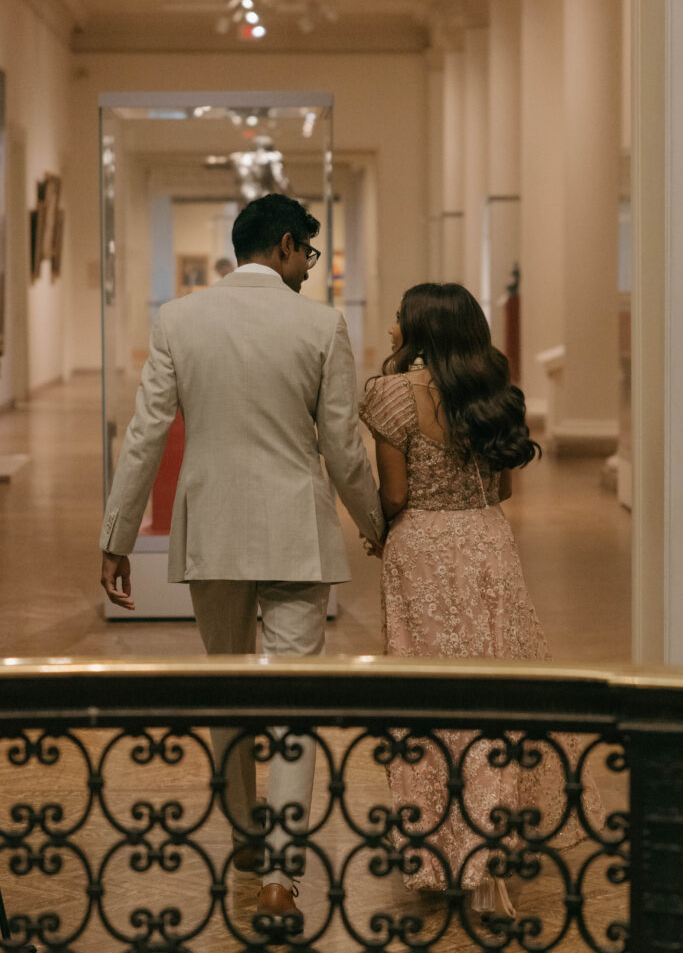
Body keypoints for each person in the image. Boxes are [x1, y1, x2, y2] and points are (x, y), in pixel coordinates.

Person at [100, 193, 385, 933]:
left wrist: (117, 535)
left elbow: (145, 434)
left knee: (227, 690)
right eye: (308, 255)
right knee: (294, 704)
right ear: (286, 245)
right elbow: (343, 448)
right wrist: (375, 521)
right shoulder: (321, 325)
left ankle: (246, 847)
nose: (308, 268)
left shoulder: (180, 319)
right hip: (294, 529)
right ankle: (284, 882)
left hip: (215, 532)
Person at [359, 283, 601, 919]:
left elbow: (393, 494)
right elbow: (505, 490)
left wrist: (374, 531)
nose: (389, 325)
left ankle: (444, 849)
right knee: (496, 689)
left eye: (397, 317)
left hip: (422, 555)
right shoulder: (495, 390)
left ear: (419, 328)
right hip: (487, 546)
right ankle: (490, 854)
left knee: (430, 698)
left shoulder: (390, 398)